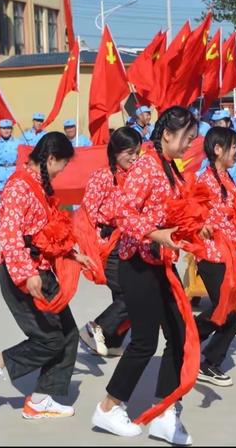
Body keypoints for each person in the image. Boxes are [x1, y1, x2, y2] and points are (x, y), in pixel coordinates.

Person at [91, 106, 198, 445]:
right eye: (187, 139)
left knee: (180, 335)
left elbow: (175, 210)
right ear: (167, 134)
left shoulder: (169, 167)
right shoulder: (146, 165)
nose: (189, 146)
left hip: (161, 263)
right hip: (137, 264)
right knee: (144, 342)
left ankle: (165, 411)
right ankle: (108, 408)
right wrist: (156, 234)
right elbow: (124, 212)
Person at [0, 132, 93, 419]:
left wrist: (73, 254)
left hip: (42, 272)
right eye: (62, 164)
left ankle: (41, 398)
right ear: (50, 158)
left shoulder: (42, 186)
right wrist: (27, 275)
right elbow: (10, 235)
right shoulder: (18, 187)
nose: (63, 171)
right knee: (49, 339)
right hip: (22, 275)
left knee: (67, 336)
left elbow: (50, 232)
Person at [195, 126, 236, 387]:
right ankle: (195, 347)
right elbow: (217, 223)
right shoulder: (205, 182)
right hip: (212, 256)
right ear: (217, 149)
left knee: (235, 312)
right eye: (233, 147)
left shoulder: (227, 178)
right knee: (226, 310)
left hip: (231, 255)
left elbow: (235, 217)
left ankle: (202, 353)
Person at [80, 127, 142, 357]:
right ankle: (97, 327)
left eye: (137, 152)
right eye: (129, 152)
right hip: (109, 244)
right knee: (131, 294)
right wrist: (96, 248)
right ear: (115, 151)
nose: (134, 158)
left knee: (123, 293)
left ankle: (113, 340)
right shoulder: (102, 176)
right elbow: (88, 213)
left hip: (131, 241)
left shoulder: (135, 177)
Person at [198, 109, 236, 186]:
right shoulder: (211, 137)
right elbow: (206, 156)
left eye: (220, 123)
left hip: (234, 173)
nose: (217, 125)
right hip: (216, 172)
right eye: (215, 123)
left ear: (228, 123)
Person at [0, 119, 20, 201]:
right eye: (3, 128)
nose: (6, 130)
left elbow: (22, 160)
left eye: (8, 128)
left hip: (14, 176)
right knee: (2, 203)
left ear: (11, 129)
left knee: (14, 202)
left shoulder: (18, 143)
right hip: (0, 178)